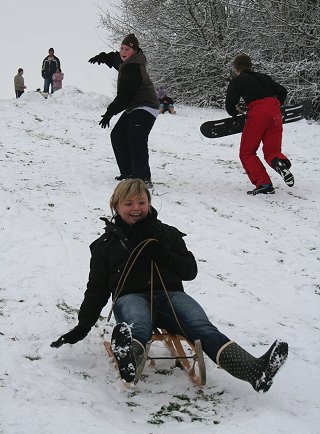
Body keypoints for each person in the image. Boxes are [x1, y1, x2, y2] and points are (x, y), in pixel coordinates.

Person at [51, 178, 288, 392]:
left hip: (170, 296)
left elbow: (190, 271)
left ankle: (255, 371)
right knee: (138, 324)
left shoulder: (167, 234)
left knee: (202, 328)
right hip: (130, 296)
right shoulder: (104, 245)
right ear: (116, 206)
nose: (136, 209)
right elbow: (97, 289)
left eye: (141, 202)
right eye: (129, 203)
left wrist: (162, 253)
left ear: (149, 202)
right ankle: (129, 359)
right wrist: (82, 327)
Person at [88, 34, 159, 187]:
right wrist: (101, 58)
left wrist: (109, 113)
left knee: (136, 139)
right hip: (134, 107)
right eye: (122, 48)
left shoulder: (134, 68)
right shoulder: (124, 60)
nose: (123, 51)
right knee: (117, 135)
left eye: (127, 49)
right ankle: (128, 173)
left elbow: (124, 97)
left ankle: (143, 179)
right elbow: (114, 58)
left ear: (134, 51)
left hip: (146, 106)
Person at [225, 53, 294, 196]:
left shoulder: (238, 80)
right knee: (272, 150)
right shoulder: (264, 77)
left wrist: (235, 112)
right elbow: (282, 91)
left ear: (236, 68)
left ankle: (264, 184)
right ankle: (280, 164)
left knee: (247, 152)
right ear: (250, 66)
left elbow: (230, 105)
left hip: (257, 114)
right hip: (275, 114)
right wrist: (275, 106)